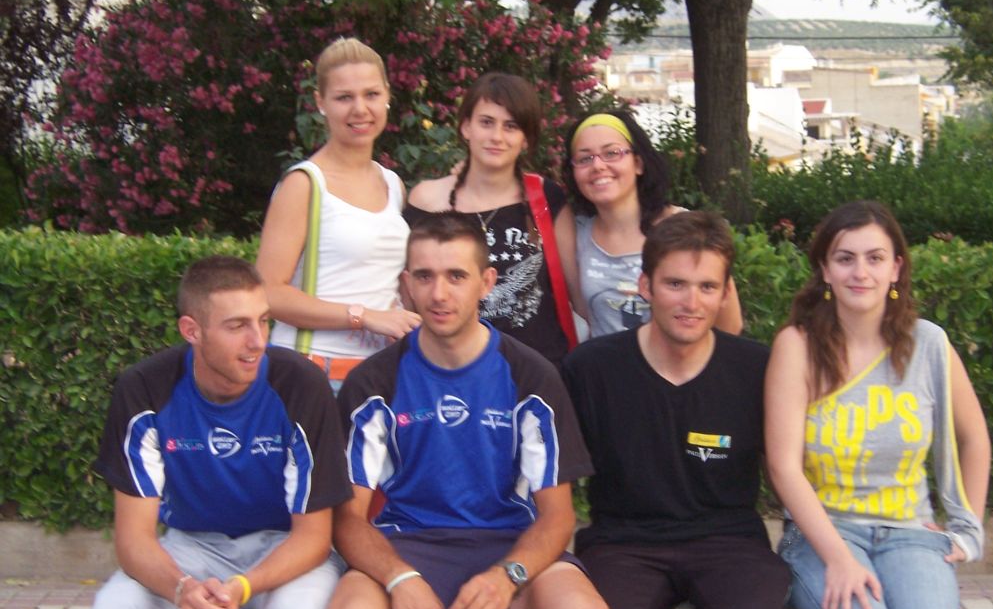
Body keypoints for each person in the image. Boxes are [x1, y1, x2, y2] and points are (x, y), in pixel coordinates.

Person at [321, 212, 615, 609]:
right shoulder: (374, 381)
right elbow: (348, 520)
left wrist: (508, 575)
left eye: (456, 275)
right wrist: (400, 580)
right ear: (405, 285)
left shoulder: (531, 375)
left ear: (486, 282)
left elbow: (558, 517)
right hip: (408, 550)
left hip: (511, 551)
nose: (439, 293)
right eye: (424, 276)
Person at [66, 256, 351, 609]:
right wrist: (183, 591)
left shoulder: (298, 383)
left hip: (286, 547)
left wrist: (239, 590)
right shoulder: (145, 388)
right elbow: (133, 540)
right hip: (191, 545)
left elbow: (314, 537)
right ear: (191, 330)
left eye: (264, 321)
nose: (257, 341)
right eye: (237, 326)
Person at [764, 200, 993, 609]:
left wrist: (968, 529)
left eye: (874, 258)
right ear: (824, 269)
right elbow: (783, 466)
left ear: (896, 268)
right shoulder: (797, 345)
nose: (860, 272)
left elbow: (974, 439)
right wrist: (839, 559)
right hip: (824, 534)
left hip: (910, 533)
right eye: (845, 258)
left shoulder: (929, 344)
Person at [563, 211, 791, 609]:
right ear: (645, 286)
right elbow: (550, 476)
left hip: (728, 540)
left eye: (707, 286)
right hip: (624, 543)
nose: (691, 302)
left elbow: (792, 467)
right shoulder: (591, 369)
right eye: (675, 284)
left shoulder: (755, 369)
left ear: (725, 293)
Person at [257, 37, 420, 392]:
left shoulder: (393, 184)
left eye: (371, 94)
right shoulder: (305, 183)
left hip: (383, 372)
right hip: (313, 370)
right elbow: (267, 292)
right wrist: (364, 317)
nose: (360, 109)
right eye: (344, 97)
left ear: (387, 95)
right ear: (321, 103)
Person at [406, 72, 579, 370]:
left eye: (511, 126)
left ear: (526, 139)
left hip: (538, 372)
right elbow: (410, 295)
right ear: (466, 127)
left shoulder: (546, 198)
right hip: (453, 371)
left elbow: (578, 292)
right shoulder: (428, 200)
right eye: (486, 122)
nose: (497, 136)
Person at [563, 110, 743, 337]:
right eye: (584, 159)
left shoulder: (687, 229)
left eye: (612, 153)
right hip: (605, 359)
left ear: (638, 163)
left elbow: (729, 325)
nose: (598, 166)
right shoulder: (573, 235)